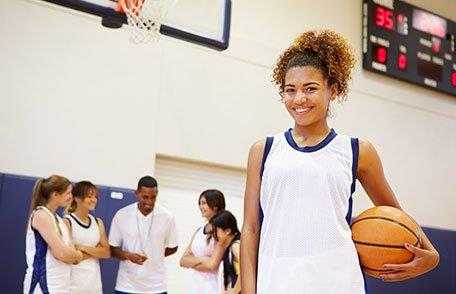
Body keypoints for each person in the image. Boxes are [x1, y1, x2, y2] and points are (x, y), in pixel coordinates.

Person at [240, 30, 440, 294]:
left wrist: (432, 255)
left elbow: (395, 214)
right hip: (276, 283)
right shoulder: (263, 151)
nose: (299, 99)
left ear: (332, 90)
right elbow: (251, 228)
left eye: (310, 88)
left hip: (338, 283)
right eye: (290, 90)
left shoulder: (358, 151)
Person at [109, 175, 178, 294]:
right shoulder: (122, 215)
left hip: (157, 286)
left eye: (153, 198)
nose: (149, 202)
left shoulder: (167, 217)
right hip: (126, 285)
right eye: (145, 197)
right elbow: (112, 248)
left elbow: (173, 247)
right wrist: (127, 255)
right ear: (137, 193)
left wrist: (155, 255)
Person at [23, 175, 83, 294]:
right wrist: (79, 255)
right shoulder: (41, 215)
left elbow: (70, 254)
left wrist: (74, 255)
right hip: (43, 284)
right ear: (55, 194)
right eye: (68, 193)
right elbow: (62, 253)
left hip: (61, 284)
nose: (71, 197)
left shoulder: (60, 221)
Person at [63, 181, 110, 294]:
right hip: (73, 284)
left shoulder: (98, 222)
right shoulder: (67, 221)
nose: (94, 199)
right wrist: (96, 250)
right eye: (89, 196)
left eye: (95, 196)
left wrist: (82, 247)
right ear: (77, 198)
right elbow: (70, 256)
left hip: (94, 284)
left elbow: (107, 252)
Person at [179, 189, 227, 294]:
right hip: (194, 285)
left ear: (215, 205)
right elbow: (182, 261)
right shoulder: (199, 230)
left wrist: (192, 262)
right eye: (200, 203)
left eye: (204, 203)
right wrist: (204, 260)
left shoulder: (222, 230)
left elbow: (212, 265)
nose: (201, 207)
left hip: (212, 287)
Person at [210, 210, 241, 294]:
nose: (214, 235)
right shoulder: (230, 247)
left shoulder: (235, 246)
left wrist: (234, 291)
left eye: (216, 231)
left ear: (227, 231)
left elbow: (245, 270)